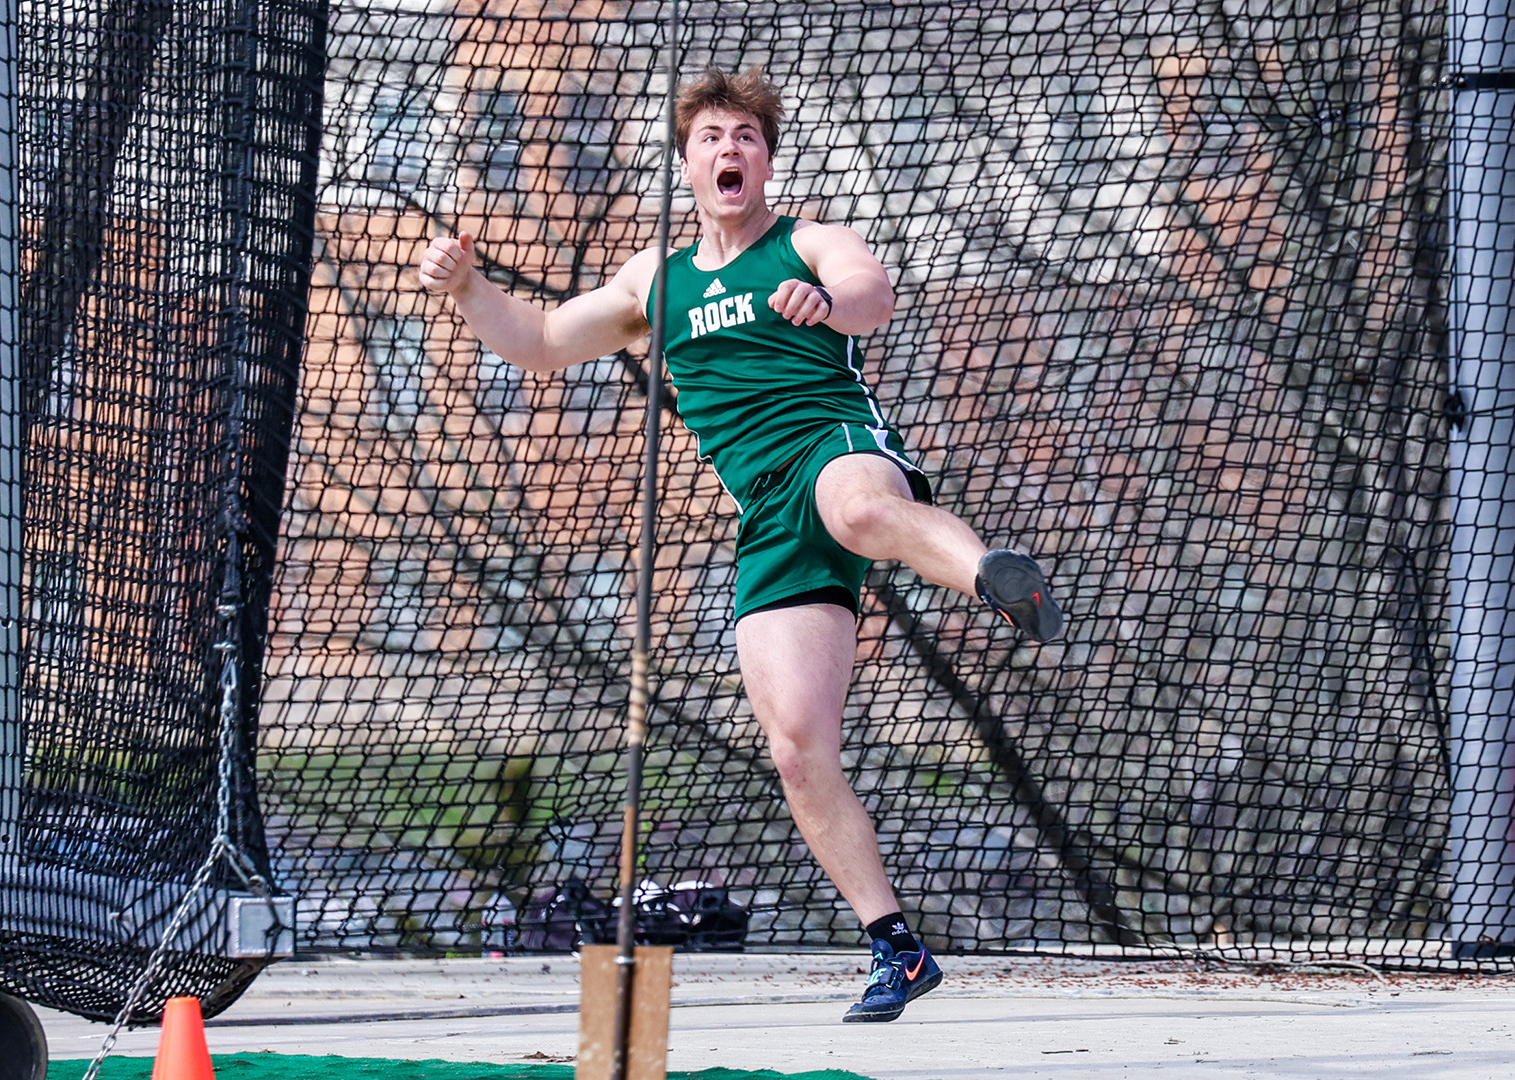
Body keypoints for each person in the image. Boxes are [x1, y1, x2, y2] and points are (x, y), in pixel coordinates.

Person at [418, 69, 1062, 1023]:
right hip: (762, 512)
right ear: (688, 161)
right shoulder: (658, 279)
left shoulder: (807, 241)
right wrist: (470, 289)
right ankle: (899, 948)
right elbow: (546, 342)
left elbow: (872, 295)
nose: (732, 150)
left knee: (855, 514)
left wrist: (824, 305)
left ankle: (994, 578)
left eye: (748, 138)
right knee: (798, 747)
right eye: (714, 136)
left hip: (835, 448)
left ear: (765, 158)